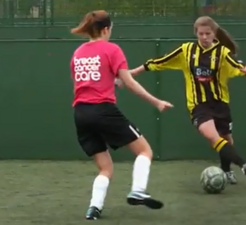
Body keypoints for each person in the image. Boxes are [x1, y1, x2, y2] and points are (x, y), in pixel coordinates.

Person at [129, 16, 246, 185]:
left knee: (226, 139)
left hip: (220, 104)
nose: (204, 37)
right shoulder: (186, 50)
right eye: (201, 34)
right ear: (195, 33)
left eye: (208, 33)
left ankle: (227, 170)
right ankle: (243, 164)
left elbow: (237, 65)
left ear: (214, 34)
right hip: (198, 105)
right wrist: (133, 73)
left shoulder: (222, 52)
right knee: (212, 137)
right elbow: (159, 61)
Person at [70, 10, 173, 220]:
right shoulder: (112, 49)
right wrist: (157, 101)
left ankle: (94, 209)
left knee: (105, 168)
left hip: (81, 113)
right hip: (103, 110)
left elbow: (88, 82)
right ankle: (138, 190)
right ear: (106, 29)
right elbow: (131, 83)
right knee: (145, 151)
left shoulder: (78, 52)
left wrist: (114, 81)